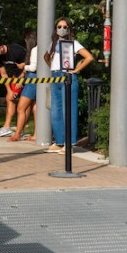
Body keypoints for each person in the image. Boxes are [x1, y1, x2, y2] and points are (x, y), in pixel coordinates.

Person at [43, 17, 94, 153]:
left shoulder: (73, 43)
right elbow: (46, 56)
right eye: (59, 26)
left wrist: (76, 70)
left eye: (65, 27)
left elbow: (89, 57)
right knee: (56, 111)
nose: (62, 29)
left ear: (69, 29)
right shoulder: (53, 43)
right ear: (55, 28)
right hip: (55, 78)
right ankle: (59, 142)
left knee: (68, 111)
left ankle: (69, 144)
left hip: (68, 77)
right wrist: (53, 68)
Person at [0, 37, 27, 137]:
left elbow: (28, 64)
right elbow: (4, 74)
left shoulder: (16, 50)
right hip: (14, 77)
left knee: (25, 105)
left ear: (1, 47)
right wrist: (9, 90)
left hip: (27, 76)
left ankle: (19, 129)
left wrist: (22, 79)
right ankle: (7, 127)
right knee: (10, 98)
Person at [9, 30, 39, 142]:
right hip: (37, 80)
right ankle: (36, 134)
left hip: (32, 79)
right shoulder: (41, 48)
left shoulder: (35, 50)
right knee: (35, 107)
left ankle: (17, 134)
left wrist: (23, 66)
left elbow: (33, 67)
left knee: (21, 108)